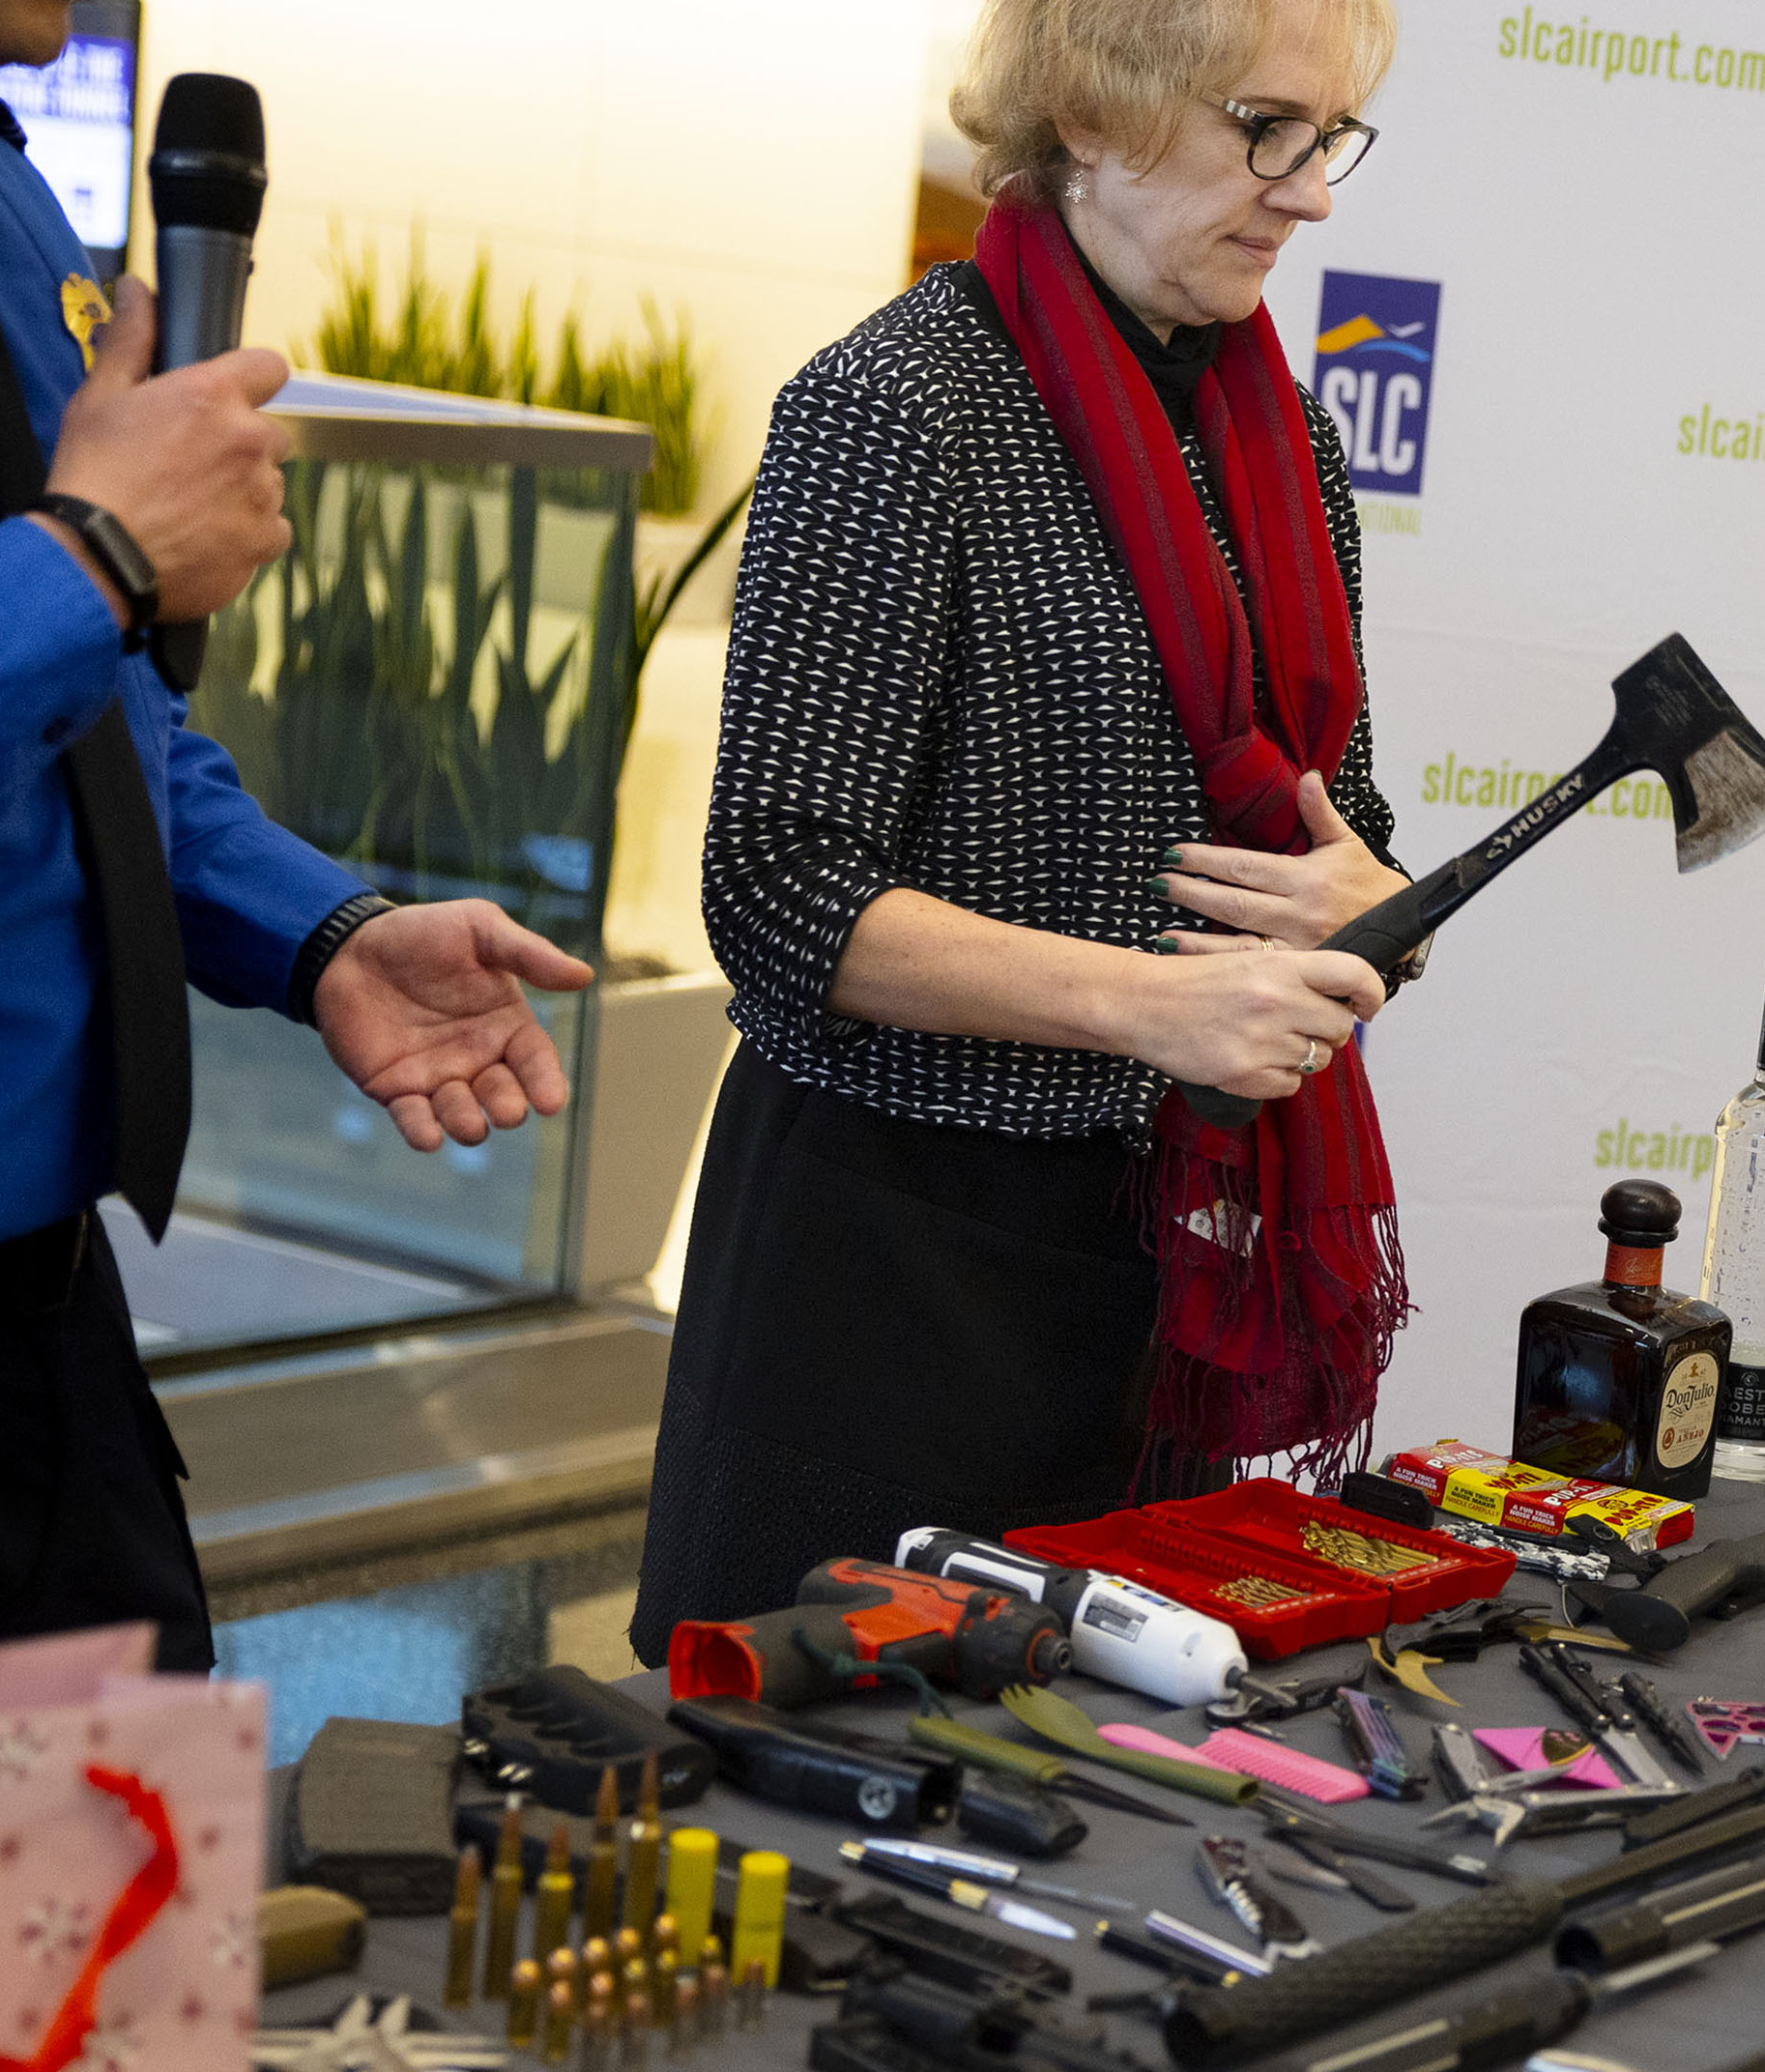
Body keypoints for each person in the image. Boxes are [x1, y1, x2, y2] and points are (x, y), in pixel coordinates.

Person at [630, 0, 1409, 1657]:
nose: (1312, 191)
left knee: (1110, 1817)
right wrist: (1158, 1001)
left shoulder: (1288, 443)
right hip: (891, 1280)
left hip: (1155, 1276)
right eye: (1264, 128)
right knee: (822, 1823)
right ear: (1097, 114)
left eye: (1329, 138)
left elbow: (1347, 830)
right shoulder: (895, 410)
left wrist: (1372, 901)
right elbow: (778, 892)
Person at [0, 0, 595, 1673]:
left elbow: (96, 720)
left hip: (39, 1340)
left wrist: (317, 930)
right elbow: (64, 607)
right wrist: (94, 558)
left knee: (112, 1929)